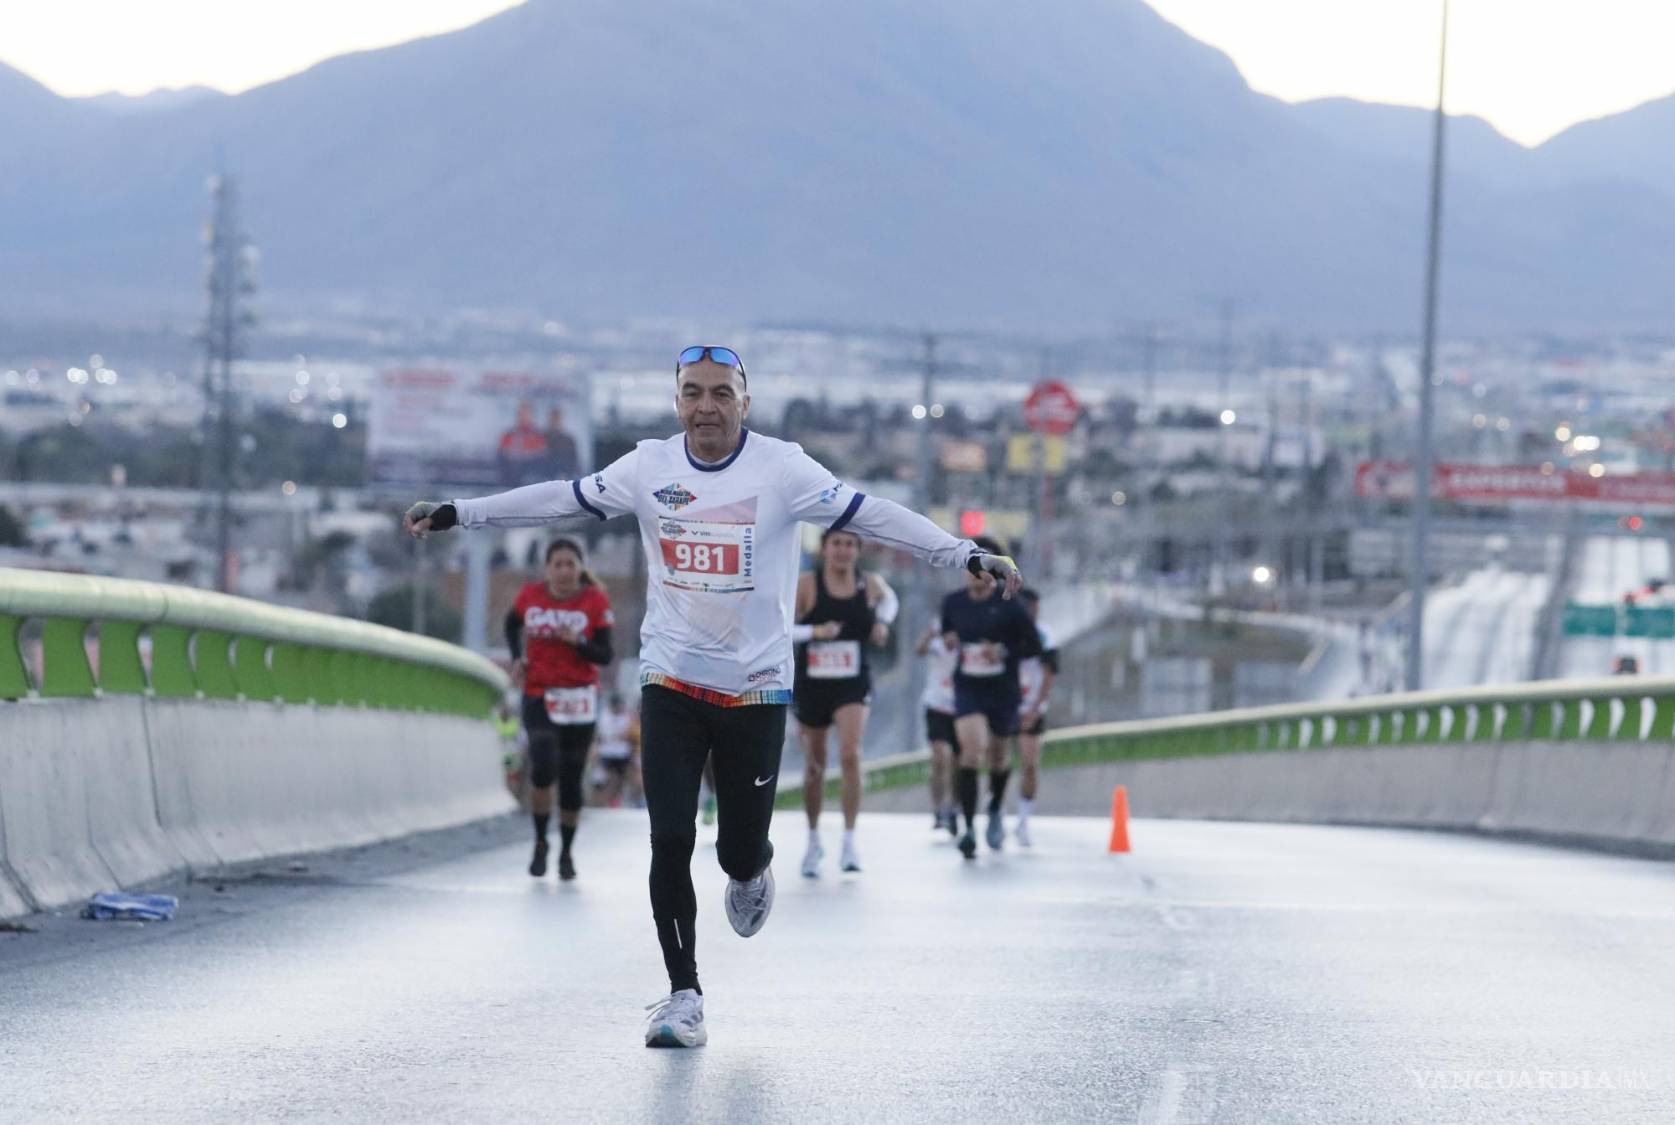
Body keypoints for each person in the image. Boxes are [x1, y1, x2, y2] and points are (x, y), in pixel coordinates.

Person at [405, 345, 1021, 1048]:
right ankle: (682, 994)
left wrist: (962, 551)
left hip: (755, 690)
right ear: (676, 404)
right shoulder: (647, 468)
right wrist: (461, 511)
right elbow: (559, 497)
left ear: (744, 403)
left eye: (721, 393)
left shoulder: (782, 470)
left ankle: (751, 863)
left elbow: (872, 514)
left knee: (734, 850)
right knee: (668, 835)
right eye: (693, 393)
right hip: (669, 679)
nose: (706, 406)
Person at [505, 538, 614, 882]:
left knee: (570, 780)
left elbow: (605, 654)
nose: (564, 570)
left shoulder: (595, 601)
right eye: (558, 564)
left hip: (579, 698)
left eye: (571, 564)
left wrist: (578, 641)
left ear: (581, 568)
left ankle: (566, 850)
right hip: (539, 692)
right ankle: (540, 841)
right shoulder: (530, 596)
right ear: (547, 568)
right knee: (543, 765)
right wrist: (517, 656)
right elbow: (511, 623)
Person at [793, 528, 898, 876]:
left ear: (858, 550)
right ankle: (812, 840)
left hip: (852, 681)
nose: (843, 550)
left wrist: (882, 623)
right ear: (824, 549)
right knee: (815, 765)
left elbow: (890, 601)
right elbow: (780, 627)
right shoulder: (807, 585)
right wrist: (815, 633)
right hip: (813, 683)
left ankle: (850, 841)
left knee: (851, 754)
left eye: (850, 544)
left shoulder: (868, 584)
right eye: (836, 543)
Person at [941, 536, 1041, 860]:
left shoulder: (1011, 603)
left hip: (1003, 691)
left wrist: (1001, 651)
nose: (975, 573)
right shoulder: (953, 603)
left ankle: (995, 807)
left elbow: (1034, 646)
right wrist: (951, 639)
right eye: (970, 566)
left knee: (998, 757)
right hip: (968, 688)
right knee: (970, 750)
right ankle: (968, 827)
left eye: (982, 565)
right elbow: (947, 630)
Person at [1013, 588, 1059, 848]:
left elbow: (1050, 674)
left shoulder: (1045, 636)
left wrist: (1035, 708)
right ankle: (992, 806)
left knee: (1029, 762)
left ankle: (1023, 819)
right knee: (994, 758)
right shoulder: (1005, 629)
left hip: (1031, 706)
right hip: (1005, 704)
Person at [916, 623, 959, 836]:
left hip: (960, 707)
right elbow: (919, 650)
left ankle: (953, 807)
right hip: (936, 706)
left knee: (956, 761)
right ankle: (937, 808)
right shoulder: (936, 645)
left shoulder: (965, 645)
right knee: (939, 757)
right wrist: (928, 636)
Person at [591, 693, 641, 807]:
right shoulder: (603, 717)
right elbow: (599, 736)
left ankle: (618, 801)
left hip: (622, 753)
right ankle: (599, 802)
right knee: (601, 779)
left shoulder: (627, 717)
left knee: (622, 778)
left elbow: (628, 735)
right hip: (606, 752)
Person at [498, 401, 550, 487]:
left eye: (527, 414)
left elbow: (541, 458)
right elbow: (502, 454)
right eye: (521, 414)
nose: (523, 417)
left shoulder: (538, 436)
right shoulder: (509, 435)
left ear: (532, 416)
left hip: (531, 481)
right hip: (510, 481)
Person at [544, 405, 581, 479]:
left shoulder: (569, 440)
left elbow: (574, 463)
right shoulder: (542, 438)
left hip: (566, 478)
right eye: (553, 419)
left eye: (557, 419)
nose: (555, 422)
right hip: (545, 478)